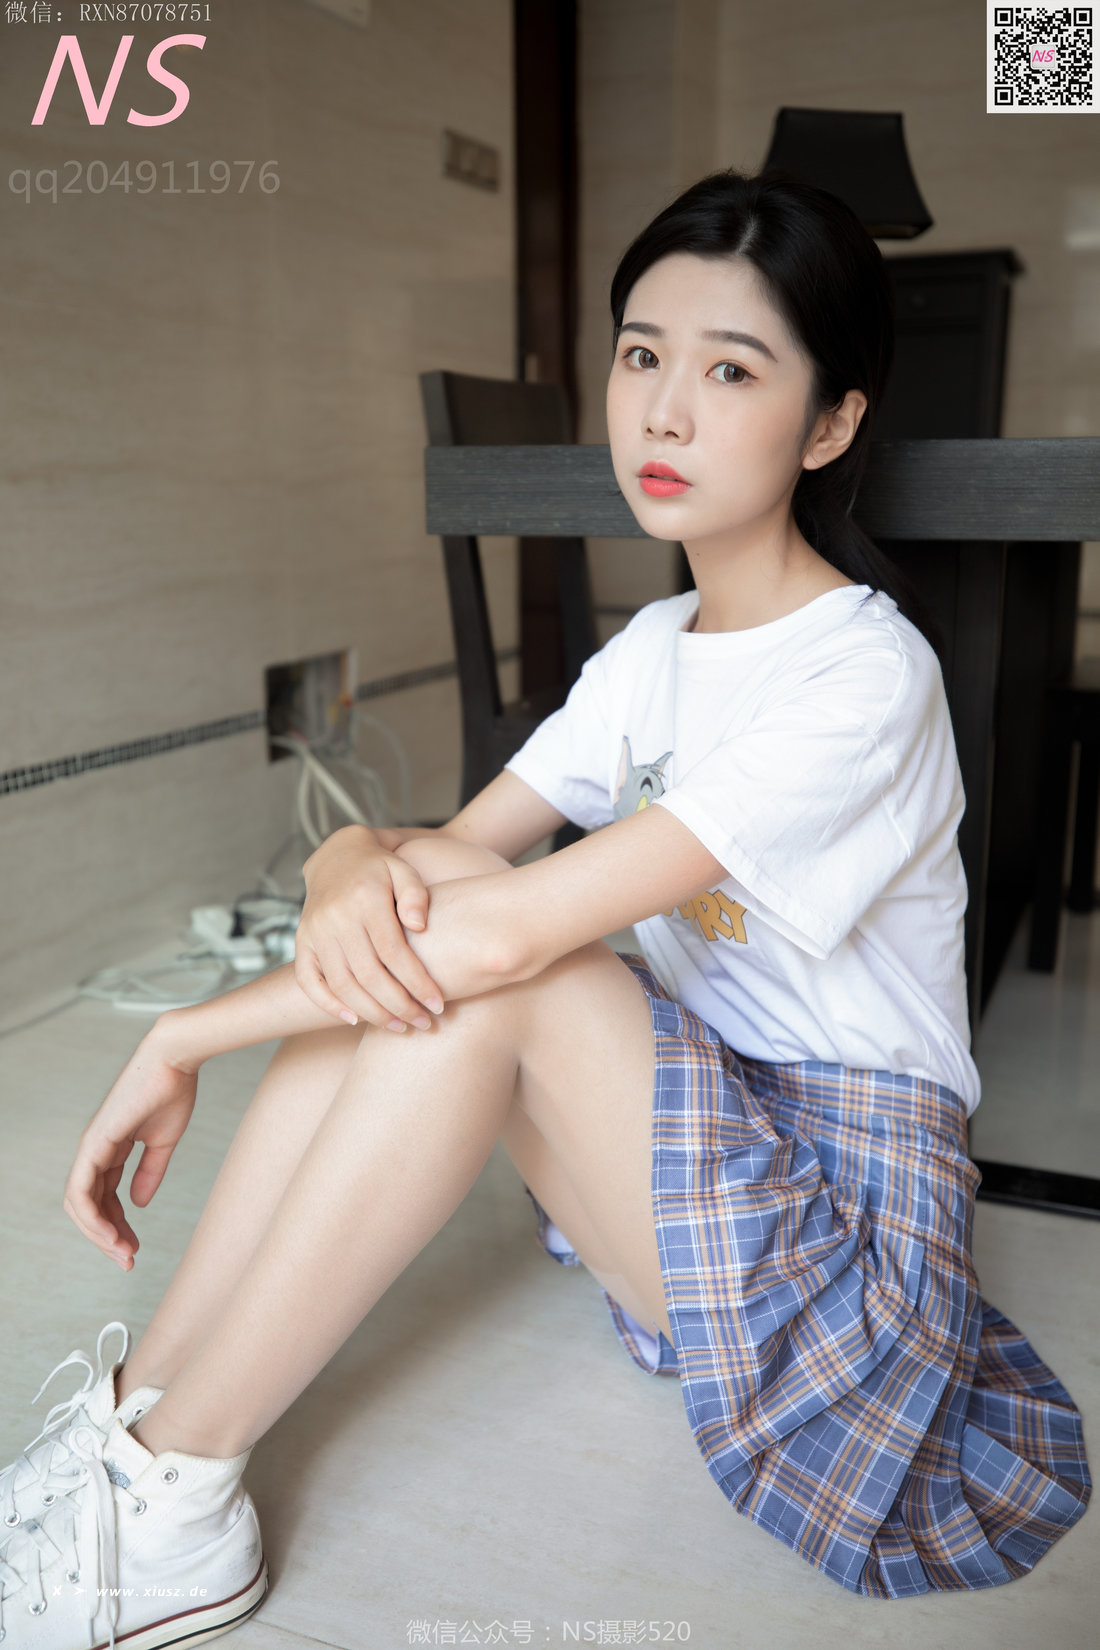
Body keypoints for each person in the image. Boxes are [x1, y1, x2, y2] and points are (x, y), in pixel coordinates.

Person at [0, 165, 1090, 1648]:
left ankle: (180, 1496)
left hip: (853, 1264)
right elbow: (445, 858)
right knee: (442, 905)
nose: (664, 411)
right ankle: (138, 1425)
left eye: (731, 370)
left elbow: (506, 934)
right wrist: (341, 859)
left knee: (511, 968)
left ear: (831, 423)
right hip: (701, 1165)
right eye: (642, 355)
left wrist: (190, 1032)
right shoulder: (653, 648)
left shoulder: (865, 673)